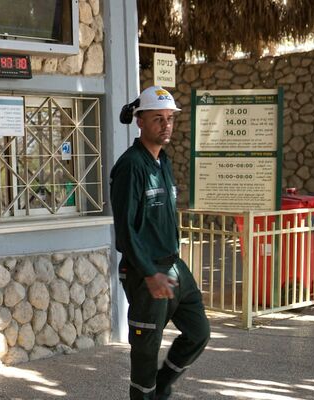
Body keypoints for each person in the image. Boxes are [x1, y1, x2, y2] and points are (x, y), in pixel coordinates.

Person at [111, 86, 211, 400]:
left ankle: (162, 386)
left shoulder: (163, 161)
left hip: (173, 266)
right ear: (140, 121)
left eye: (169, 119)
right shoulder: (131, 166)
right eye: (158, 119)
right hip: (145, 271)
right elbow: (126, 230)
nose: (166, 125)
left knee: (198, 332)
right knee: (145, 349)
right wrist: (149, 272)